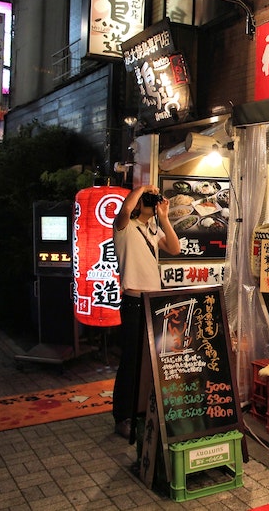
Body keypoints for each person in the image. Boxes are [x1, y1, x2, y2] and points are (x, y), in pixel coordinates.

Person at [112, 184, 180, 438]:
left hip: (154, 301)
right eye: (147, 200)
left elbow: (175, 249)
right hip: (133, 302)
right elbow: (125, 209)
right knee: (130, 361)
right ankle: (122, 417)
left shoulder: (152, 230)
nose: (152, 202)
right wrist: (141, 188)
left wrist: (163, 218)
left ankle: (143, 410)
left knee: (152, 362)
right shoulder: (123, 227)